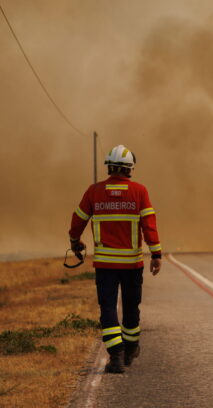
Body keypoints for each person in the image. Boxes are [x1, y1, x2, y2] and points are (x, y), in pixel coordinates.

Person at [69, 144, 162, 373]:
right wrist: (156, 254)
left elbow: (78, 220)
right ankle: (130, 349)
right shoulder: (139, 192)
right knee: (131, 307)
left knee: (108, 308)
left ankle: (117, 356)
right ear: (130, 168)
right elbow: (149, 226)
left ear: (109, 167)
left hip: (106, 266)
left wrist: (75, 242)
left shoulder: (94, 192)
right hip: (132, 264)